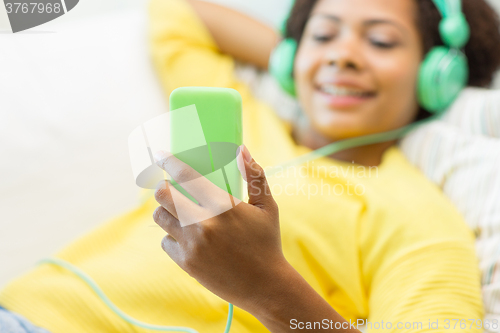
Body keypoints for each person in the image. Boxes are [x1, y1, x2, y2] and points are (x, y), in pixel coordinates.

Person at [1, 0, 499, 332]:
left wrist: (267, 285)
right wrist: (299, 66)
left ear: (441, 77)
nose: (342, 55)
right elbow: (179, 13)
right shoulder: (238, 113)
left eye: (382, 42)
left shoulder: (416, 216)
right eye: (324, 36)